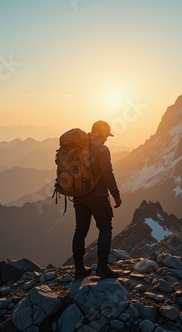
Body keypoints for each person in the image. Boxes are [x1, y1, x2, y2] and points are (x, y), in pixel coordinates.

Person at [72, 120, 122, 279]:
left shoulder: (79, 148)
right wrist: (116, 194)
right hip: (98, 196)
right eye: (106, 135)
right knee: (105, 227)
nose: (107, 139)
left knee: (80, 230)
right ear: (100, 134)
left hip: (79, 195)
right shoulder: (102, 150)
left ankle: (79, 268)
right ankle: (102, 266)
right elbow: (107, 174)